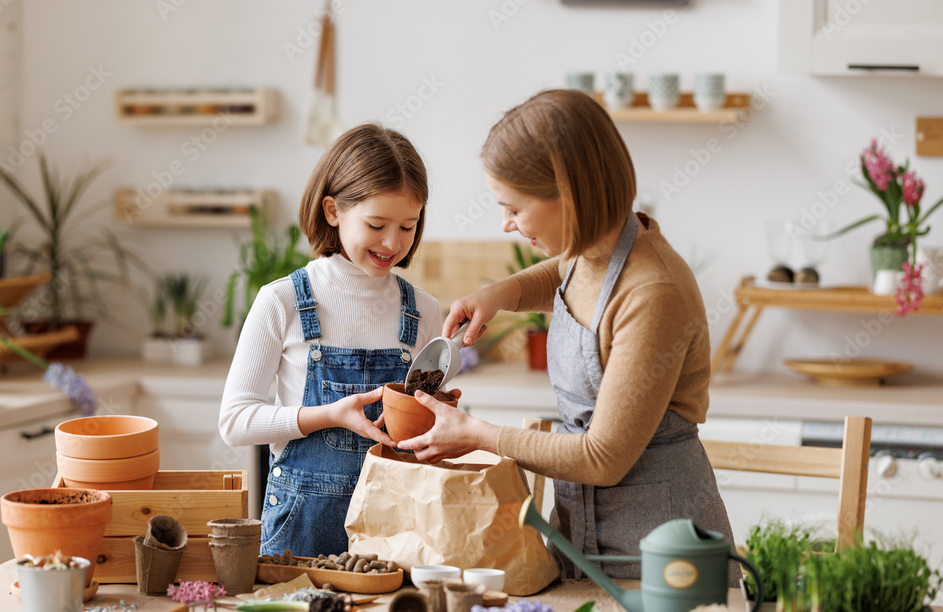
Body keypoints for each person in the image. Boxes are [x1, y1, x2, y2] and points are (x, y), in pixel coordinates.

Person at [398, 90, 738, 584]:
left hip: (664, 561)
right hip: (581, 539)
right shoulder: (591, 249)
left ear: (569, 195)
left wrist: (477, 435)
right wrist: (505, 292)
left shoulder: (654, 291)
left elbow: (602, 458)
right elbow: (567, 272)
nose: (506, 224)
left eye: (514, 208)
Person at [219, 123, 442, 558]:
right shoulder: (282, 301)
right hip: (300, 532)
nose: (393, 242)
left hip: (396, 533)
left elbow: (426, 432)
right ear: (333, 210)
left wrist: (442, 417)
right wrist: (328, 415)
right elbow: (234, 422)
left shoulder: (425, 310)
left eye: (408, 226)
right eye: (377, 224)